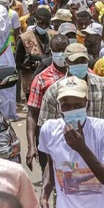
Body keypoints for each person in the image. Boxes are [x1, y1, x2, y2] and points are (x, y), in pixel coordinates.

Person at [39, 76, 104, 208]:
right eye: (66, 106)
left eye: (77, 105)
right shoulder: (49, 130)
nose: (72, 110)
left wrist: (82, 149)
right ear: (59, 107)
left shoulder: (102, 129)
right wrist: (44, 194)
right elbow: (51, 165)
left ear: (87, 103)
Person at [38, 43, 104, 137]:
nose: (79, 64)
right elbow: (44, 124)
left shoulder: (103, 85)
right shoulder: (54, 91)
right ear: (66, 63)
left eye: (83, 60)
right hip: (67, 144)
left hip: (99, 142)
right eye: (75, 61)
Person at [26, 34, 69, 172]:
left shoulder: (81, 74)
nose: (61, 54)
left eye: (64, 50)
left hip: (75, 139)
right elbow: (32, 114)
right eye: (57, 50)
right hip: (49, 141)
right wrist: (31, 146)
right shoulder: (41, 79)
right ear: (51, 50)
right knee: (49, 177)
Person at [15, 7, 55, 107]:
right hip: (31, 83)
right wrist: (32, 65)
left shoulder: (54, 36)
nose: (44, 26)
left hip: (52, 82)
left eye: (47, 23)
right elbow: (18, 64)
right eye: (41, 23)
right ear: (35, 21)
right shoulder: (24, 38)